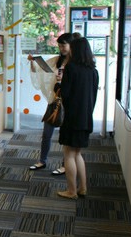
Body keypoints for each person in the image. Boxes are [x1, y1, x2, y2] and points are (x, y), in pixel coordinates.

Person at [28, 32, 77, 175]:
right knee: (46, 133)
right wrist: (32, 62)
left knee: (66, 136)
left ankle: (65, 164)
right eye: (59, 46)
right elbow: (40, 70)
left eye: (64, 46)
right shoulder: (57, 60)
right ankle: (42, 160)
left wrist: (63, 80)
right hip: (54, 100)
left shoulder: (75, 63)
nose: (61, 49)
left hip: (68, 103)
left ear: (71, 45)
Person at [57, 37, 99, 199]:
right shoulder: (93, 71)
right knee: (77, 154)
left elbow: (65, 94)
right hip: (86, 117)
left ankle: (71, 191)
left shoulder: (71, 68)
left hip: (72, 118)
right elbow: (94, 96)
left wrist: (60, 84)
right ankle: (83, 188)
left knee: (68, 154)